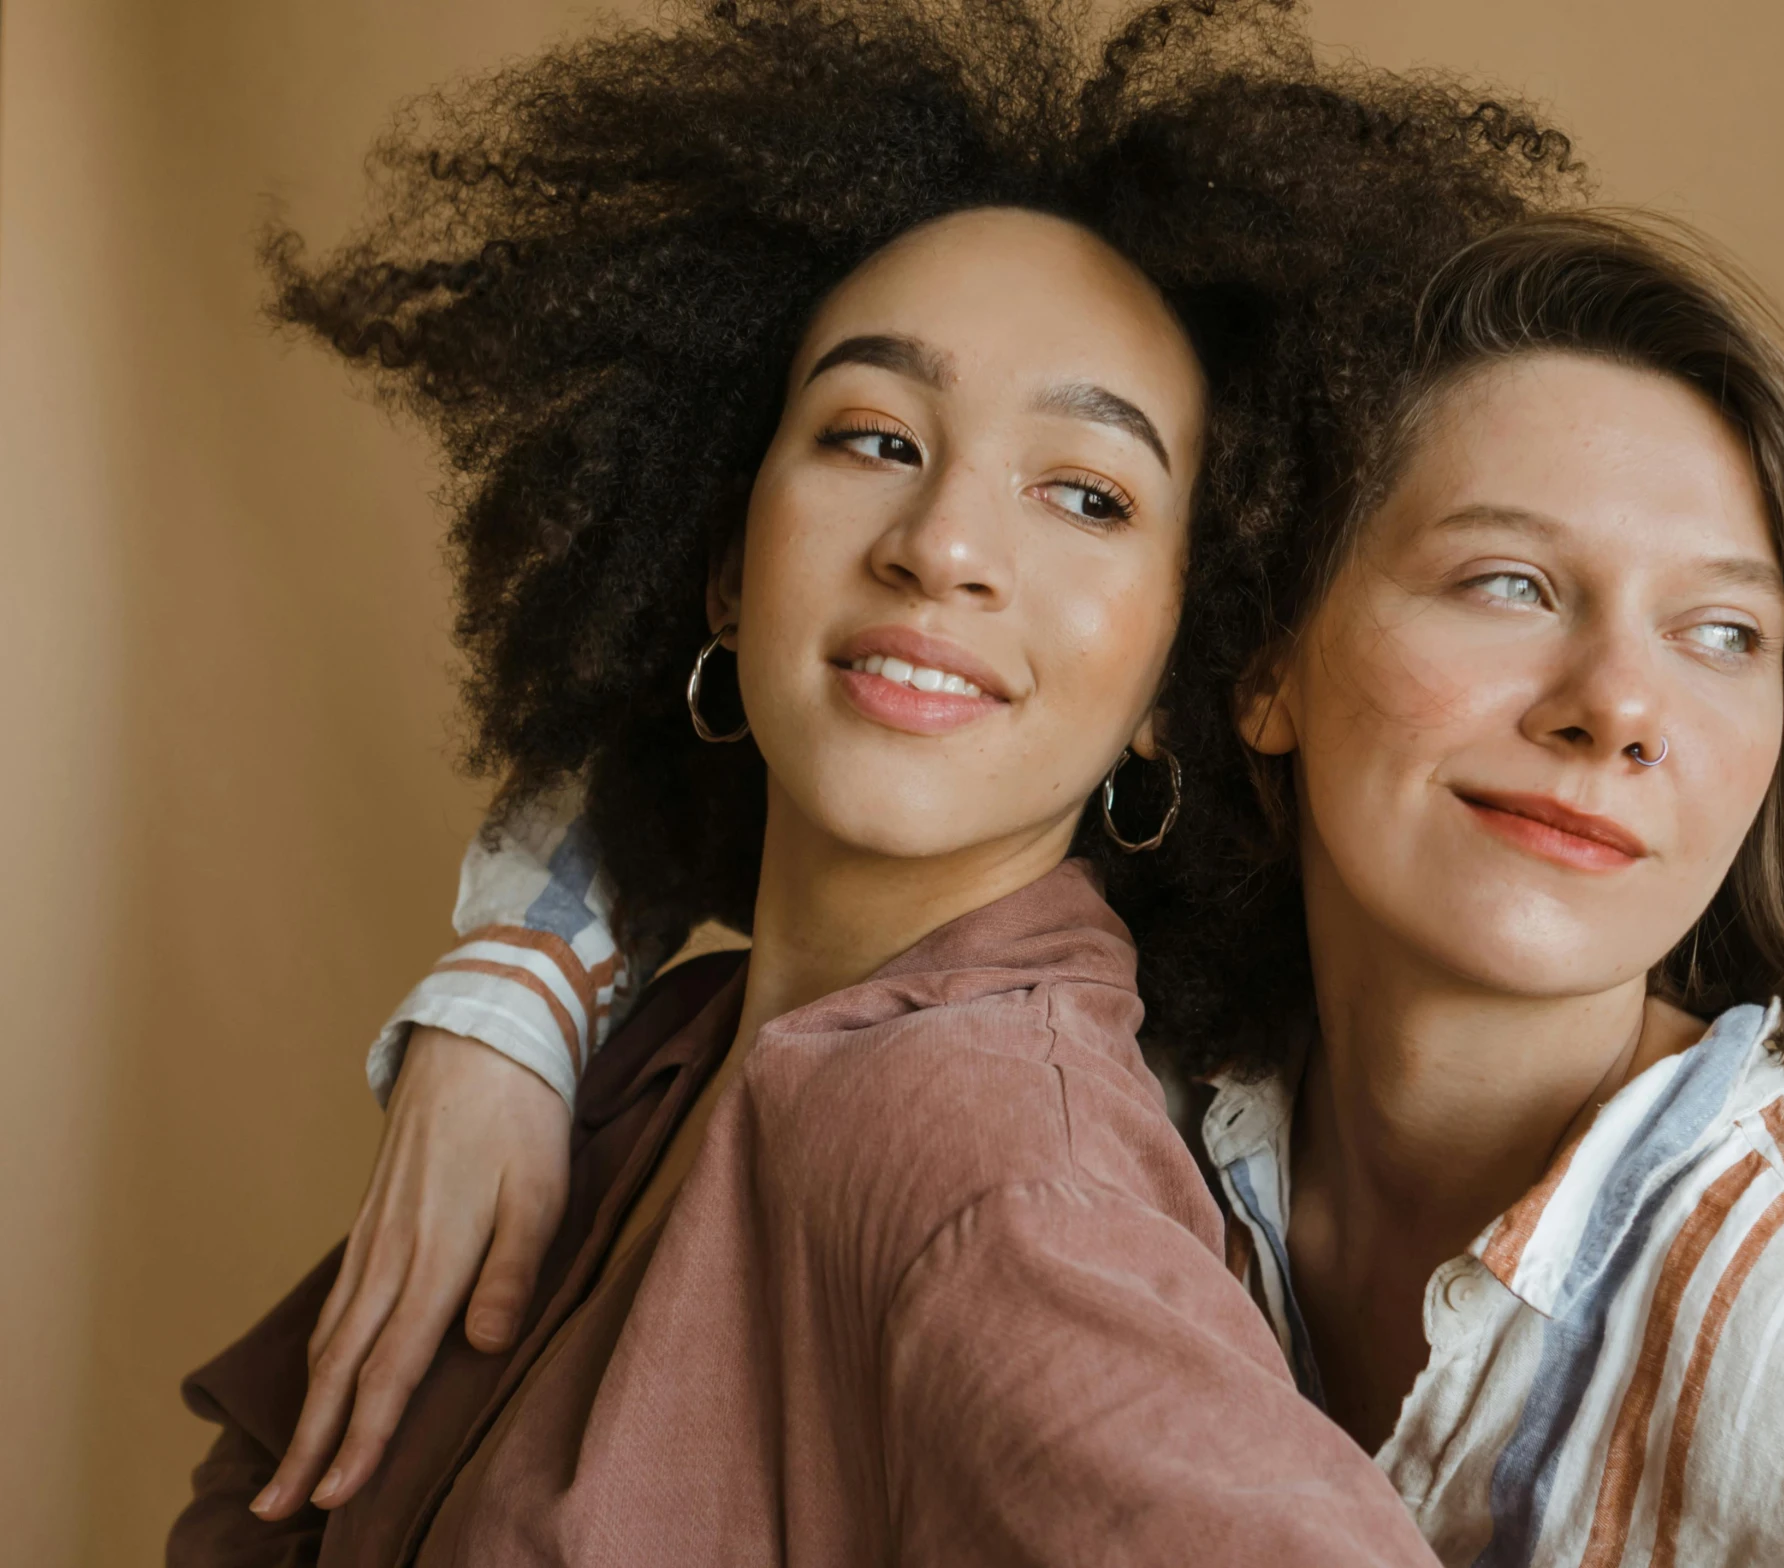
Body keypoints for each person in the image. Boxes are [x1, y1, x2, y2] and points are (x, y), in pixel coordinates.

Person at [289, 206, 1784, 1564]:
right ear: (1250, 668)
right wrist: (511, 988)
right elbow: (862, 718)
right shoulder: (1188, 1049)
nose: (1615, 705)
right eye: (1511, 583)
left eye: (1724, 635)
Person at [166, 1, 1584, 1562]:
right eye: (869, 436)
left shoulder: (990, 1158)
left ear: (1182, 676)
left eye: (1085, 492)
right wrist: (514, 996)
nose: (943, 546)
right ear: (724, 563)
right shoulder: (677, 1046)